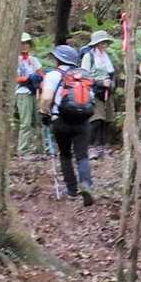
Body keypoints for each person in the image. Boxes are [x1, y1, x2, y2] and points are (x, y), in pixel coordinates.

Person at [39, 44, 95, 205]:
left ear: (58, 59)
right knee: (82, 155)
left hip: (61, 120)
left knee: (65, 154)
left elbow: (46, 98)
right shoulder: (83, 76)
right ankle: (86, 184)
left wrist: (44, 112)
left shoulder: (53, 75)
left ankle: (71, 190)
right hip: (83, 121)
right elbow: (90, 98)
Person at [81, 30, 117, 154]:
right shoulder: (89, 57)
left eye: (105, 42)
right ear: (96, 44)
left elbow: (112, 73)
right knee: (96, 119)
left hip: (107, 92)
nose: (104, 45)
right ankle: (91, 146)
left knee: (106, 120)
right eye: (102, 42)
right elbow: (84, 76)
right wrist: (100, 83)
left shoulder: (107, 57)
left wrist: (111, 84)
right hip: (94, 92)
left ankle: (102, 146)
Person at [14, 33, 45, 157]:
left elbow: (41, 74)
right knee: (25, 122)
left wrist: (41, 84)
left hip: (34, 92)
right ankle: (23, 150)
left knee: (38, 121)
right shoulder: (15, 60)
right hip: (22, 92)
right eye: (22, 43)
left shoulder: (33, 60)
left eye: (26, 43)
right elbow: (15, 77)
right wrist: (28, 79)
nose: (25, 45)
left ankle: (40, 149)